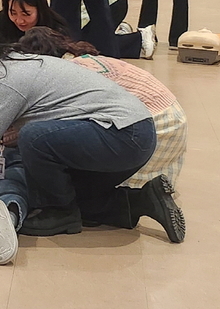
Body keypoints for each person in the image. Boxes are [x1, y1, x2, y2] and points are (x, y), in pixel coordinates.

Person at [0, 28, 182, 260]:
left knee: (32, 140)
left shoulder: (3, 80)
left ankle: (59, 212)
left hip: (123, 134)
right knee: (72, 191)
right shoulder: (27, 61)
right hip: (138, 133)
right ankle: (144, 201)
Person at [16, 27, 186, 189]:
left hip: (153, 120)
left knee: (107, 186)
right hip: (172, 113)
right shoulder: (83, 58)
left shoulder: (67, 71)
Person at [0, 0, 152, 60]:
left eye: (26, 14)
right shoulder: (3, 20)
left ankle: (138, 39)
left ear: (40, 9)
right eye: (13, 13)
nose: (19, 20)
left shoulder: (55, 26)